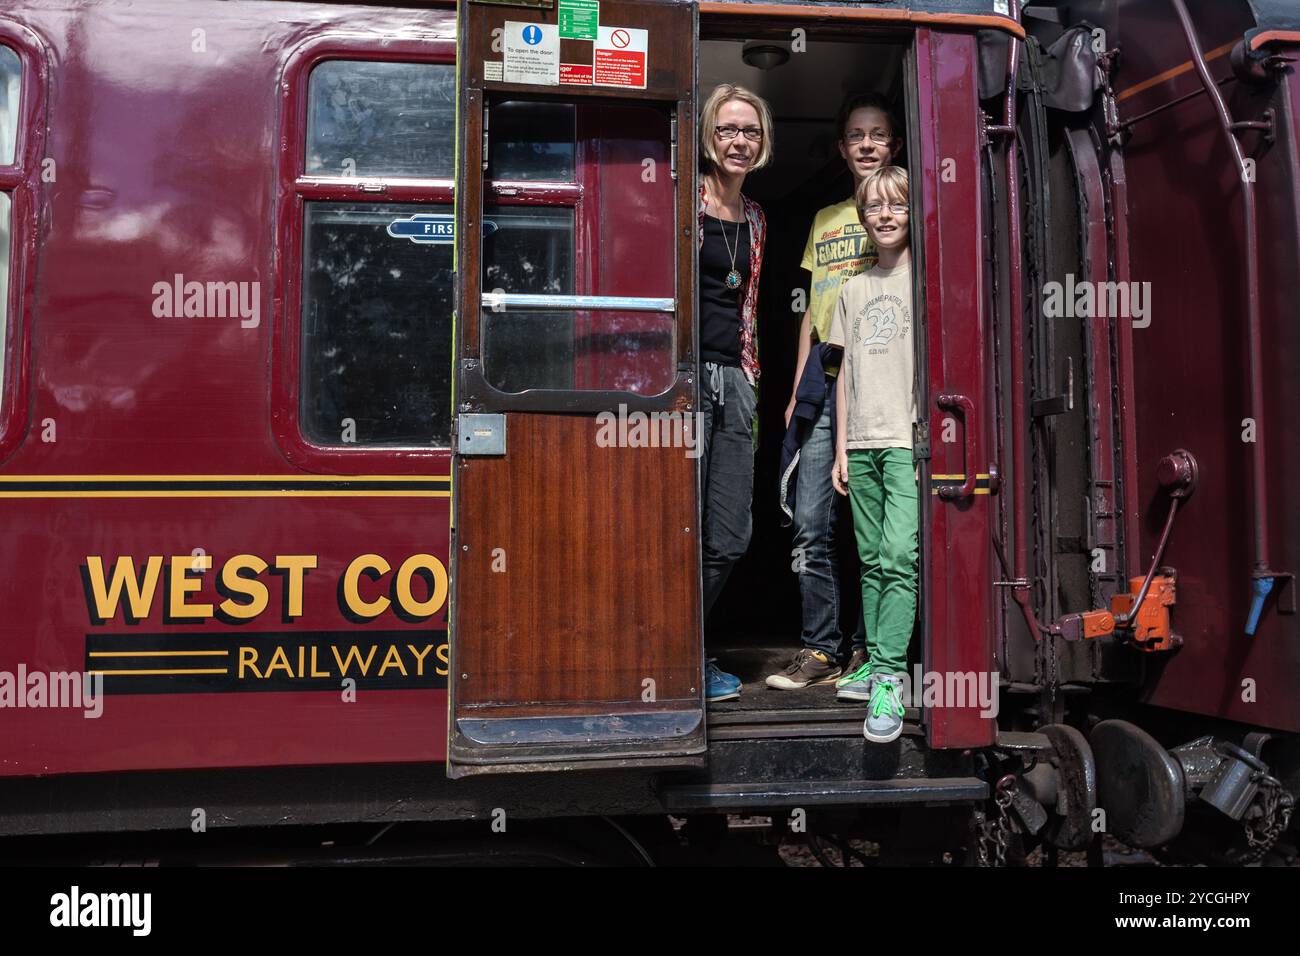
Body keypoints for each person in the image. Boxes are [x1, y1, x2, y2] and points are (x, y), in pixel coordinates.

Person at [767, 94, 902, 691]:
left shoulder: (898, 208)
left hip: (877, 376)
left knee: (874, 533)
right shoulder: (825, 220)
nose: (867, 144)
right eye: (856, 135)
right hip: (823, 374)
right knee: (811, 521)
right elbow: (812, 313)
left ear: (893, 144)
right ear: (842, 148)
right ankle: (821, 650)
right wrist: (799, 387)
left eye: (878, 134)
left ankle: (873, 652)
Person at [829, 165, 917, 743]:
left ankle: (889, 677)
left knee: (897, 556)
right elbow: (843, 376)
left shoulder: (923, 283)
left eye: (897, 206)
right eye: (874, 208)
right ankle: (873, 659)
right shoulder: (852, 289)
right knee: (868, 558)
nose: (884, 216)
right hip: (859, 443)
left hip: (905, 440)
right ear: (862, 218)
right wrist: (839, 448)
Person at [696, 84, 772, 702]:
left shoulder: (756, 219)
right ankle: (670, 659)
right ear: (708, 137)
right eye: (727, 130)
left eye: (749, 130)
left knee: (729, 535)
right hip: (682, 382)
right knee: (674, 526)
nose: (738, 141)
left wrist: (748, 378)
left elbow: (746, 307)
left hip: (736, 381)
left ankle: (683, 647)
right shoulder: (679, 202)